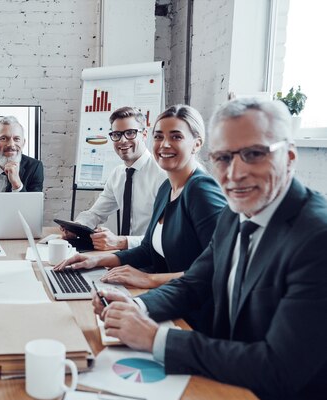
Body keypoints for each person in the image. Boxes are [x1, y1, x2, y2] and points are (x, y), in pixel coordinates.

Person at [93, 98, 327, 400]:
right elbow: (194, 283)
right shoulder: (235, 214)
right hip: (224, 380)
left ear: (289, 156)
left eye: (254, 154)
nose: (235, 173)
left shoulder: (317, 238)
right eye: (223, 158)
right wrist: (135, 306)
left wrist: (157, 338)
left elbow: (280, 368)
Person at [57, 105, 226, 292]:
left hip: (191, 304)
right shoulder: (167, 188)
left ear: (197, 144)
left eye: (176, 136)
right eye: (159, 136)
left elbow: (220, 267)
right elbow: (149, 249)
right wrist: (95, 259)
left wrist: (150, 279)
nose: (164, 144)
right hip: (167, 290)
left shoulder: (201, 190)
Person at [61, 107, 167, 250]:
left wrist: (121, 242)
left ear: (144, 134)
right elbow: (96, 213)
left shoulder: (163, 174)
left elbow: (166, 236)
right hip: (126, 256)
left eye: (130, 133)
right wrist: (77, 227)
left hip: (153, 257)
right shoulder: (118, 174)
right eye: (117, 134)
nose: (123, 140)